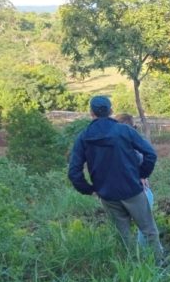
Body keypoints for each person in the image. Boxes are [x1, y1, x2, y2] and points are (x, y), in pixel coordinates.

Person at [68, 96, 164, 261]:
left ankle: (133, 268)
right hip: (132, 190)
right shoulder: (124, 130)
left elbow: (74, 172)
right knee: (149, 230)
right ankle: (159, 264)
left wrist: (90, 189)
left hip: (107, 194)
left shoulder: (83, 137)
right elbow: (150, 154)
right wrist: (142, 174)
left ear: (91, 112)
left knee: (124, 236)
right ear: (111, 110)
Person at [116, 113, 155, 245]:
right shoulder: (132, 142)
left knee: (122, 230)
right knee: (147, 228)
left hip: (113, 191)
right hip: (136, 189)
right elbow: (150, 155)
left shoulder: (109, 143)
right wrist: (142, 175)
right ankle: (152, 258)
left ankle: (131, 259)